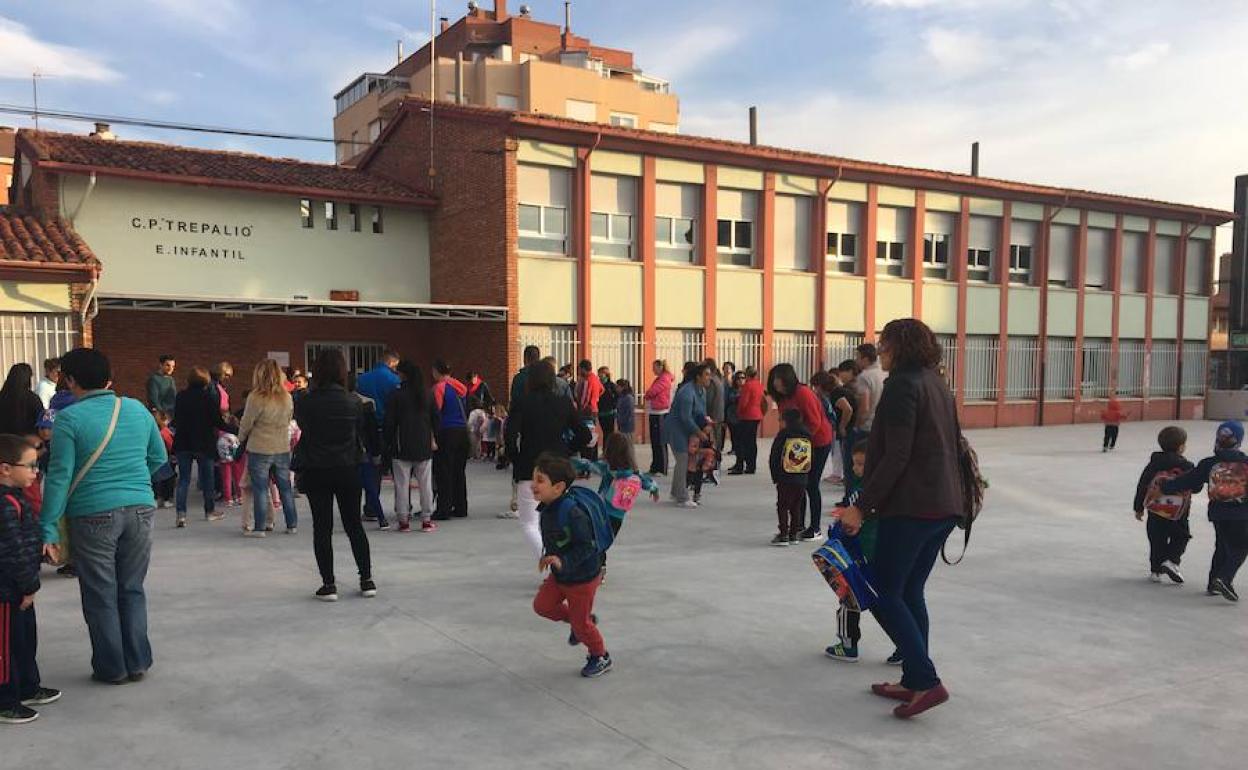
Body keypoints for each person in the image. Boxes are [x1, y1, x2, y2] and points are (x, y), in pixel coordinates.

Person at [838, 318, 963, 719]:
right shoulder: (935, 382)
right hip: (943, 504)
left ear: (899, 346)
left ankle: (925, 680)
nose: (881, 350)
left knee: (881, 591)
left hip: (912, 507)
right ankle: (913, 678)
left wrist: (862, 505)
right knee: (909, 592)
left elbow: (897, 455)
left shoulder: (903, 386)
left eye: (884, 343)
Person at [40, 347, 167, 685]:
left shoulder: (69, 419)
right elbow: (159, 458)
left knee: (100, 593)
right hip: (141, 508)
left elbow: (59, 477)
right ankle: (137, 661)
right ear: (108, 377)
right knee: (132, 587)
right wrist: (134, 484)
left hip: (92, 513)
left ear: (70, 380)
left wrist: (48, 526)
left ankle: (112, 668)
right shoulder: (137, 409)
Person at [294, 349, 375, 602]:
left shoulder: (305, 401)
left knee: (322, 527)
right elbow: (360, 432)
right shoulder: (355, 402)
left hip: (317, 468)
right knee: (354, 525)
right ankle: (366, 579)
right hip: (348, 467)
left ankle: (329, 584)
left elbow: (304, 427)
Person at [531, 452, 612, 678]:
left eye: (540, 480)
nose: (533, 485)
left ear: (558, 487)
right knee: (542, 606)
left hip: (582, 578)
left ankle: (600, 655)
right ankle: (581, 621)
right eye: (533, 479)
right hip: (562, 575)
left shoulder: (573, 512)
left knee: (581, 626)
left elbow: (588, 546)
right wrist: (548, 556)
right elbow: (556, 538)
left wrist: (563, 561)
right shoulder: (548, 507)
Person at [0, 433, 62, 724]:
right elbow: (11, 551)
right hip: (7, 591)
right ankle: (5, 700)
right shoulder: (4, 505)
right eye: (30, 466)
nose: (36, 472)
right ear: (5, 468)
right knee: (5, 648)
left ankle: (27, 686)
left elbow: (25, 541)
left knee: (24, 641)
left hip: (21, 588)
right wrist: (28, 586)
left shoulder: (17, 498)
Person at [825, 440, 900, 665]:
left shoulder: (860, 495)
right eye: (854, 463)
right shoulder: (889, 490)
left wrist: (835, 535)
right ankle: (905, 644)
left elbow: (849, 525)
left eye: (861, 464)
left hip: (859, 555)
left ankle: (848, 646)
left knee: (849, 597)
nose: (856, 468)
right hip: (882, 553)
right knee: (882, 603)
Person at [506, 360, 589, 558]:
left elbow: (509, 436)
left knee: (529, 523)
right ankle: (563, 562)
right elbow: (584, 434)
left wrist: (516, 459)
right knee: (559, 520)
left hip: (530, 467)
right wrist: (566, 451)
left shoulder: (521, 402)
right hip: (558, 469)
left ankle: (549, 562)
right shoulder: (563, 402)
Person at [1159, 421, 1248, 602]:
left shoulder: (1210, 463)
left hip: (1218, 513)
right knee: (1240, 548)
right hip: (1241, 514)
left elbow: (1188, 481)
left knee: (1222, 545)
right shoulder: (1245, 463)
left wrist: (1166, 486)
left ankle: (1213, 583)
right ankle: (1224, 579)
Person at [573, 432, 660, 582]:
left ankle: (596, 569)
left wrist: (571, 461)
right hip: (618, 516)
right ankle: (600, 570)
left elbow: (588, 465)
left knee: (595, 539)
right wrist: (655, 489)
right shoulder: (634, 473)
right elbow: (648, 483)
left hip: (600, 512)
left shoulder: (607, 469)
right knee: (603, 541)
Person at [767, 363, 833, 541]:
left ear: (787, 379)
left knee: (810, 484)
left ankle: (815, 528)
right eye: (774, 381)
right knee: (797, 485)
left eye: (778, 380)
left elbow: (815, 422)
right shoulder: (782, 398)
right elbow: (784, 423)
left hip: (817, 442)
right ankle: (798, 526)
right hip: (797, 446)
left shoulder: (803, 393)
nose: (776, 384)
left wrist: (799, 442)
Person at [237, 359, 298, 537]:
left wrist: (240, 439)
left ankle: (260, 528)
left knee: (260, 489)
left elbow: (247, 422)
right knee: (285, 488)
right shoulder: (286, 397)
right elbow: (288, 419)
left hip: (259, 447)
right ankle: (292, 524)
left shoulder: (255, 397)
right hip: (281, 446)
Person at [1133, 426, 1193, 583]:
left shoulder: (1154, 464)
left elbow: (1143, 485)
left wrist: (1138, 508)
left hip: (1156, 510)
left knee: (1157, 539)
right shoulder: (1186, 466)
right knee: (1181, 536)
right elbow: (1196, 486)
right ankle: (1172, 560)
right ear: (1181, 447)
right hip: (1179, 513)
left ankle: (1155, 571)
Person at [384, 360, 436, 533]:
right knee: (425, 484)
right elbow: (436, 419)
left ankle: (403, 520)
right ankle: (426, 520)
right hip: (423, 445)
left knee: (401, 484)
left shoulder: (396, 395)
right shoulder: (427, 393)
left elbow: (389, 422)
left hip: (401, 446)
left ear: (403, 374)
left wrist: (388, 442)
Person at [172, 366, 227, 527]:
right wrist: (234, 429)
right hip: (204, 442)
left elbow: (177, 418)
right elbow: (217, 421)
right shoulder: (209, 397)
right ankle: (209, 511)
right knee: (208, 479)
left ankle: (181, 514)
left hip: (183, 441)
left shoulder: (181, 396)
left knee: (184, 479)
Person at [664, 363, 711, 508]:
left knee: (683, 461)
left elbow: (701, 413)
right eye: (706, 375)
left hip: (687, 430)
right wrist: (699, 432)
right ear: (698, 377)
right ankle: (682, 497)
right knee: (682, 460)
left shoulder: (701, 391)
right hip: (677, 429)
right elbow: (685, 417)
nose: (709, 378)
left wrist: (706, 424)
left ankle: (675, 492)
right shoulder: (687, 393)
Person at [431, 360, 470, 520]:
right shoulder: (461, 387)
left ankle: (444, 509)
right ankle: (461, 507)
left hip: (446, 432)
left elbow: (436, 411)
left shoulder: (439, 387)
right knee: (459, 471)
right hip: (462, 432)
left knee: (444, 472)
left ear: (436, 371)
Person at [768, 408, 812, 546]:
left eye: (780, 420)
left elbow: (774, 456)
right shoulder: (807, 434)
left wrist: (775, 476)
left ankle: (783, 534)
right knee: (796, 506)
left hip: (785, 476)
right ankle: (793, 534)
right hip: (802, 477)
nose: (779, 422)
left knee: (782, 505)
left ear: (786, 421)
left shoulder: (783, 435)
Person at [351, 375, 388, 531]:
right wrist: (377, 452)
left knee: (351, 488)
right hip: (363, 449)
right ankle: (380, 517)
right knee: (370, 486)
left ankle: (353, 518)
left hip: (345, 451)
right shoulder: (367, 403)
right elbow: (373, 431)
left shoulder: (338, 404)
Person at [729, 367, 765, 476]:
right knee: (752, 442)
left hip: (747, 416)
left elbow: (743, 402)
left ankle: (740, 465)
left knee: (741, 442)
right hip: (757, 415)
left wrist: (738, 412)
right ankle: (751, 465)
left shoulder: (747, 386)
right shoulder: (759, 385)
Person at [643, 360, 674, 475]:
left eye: (654, 367)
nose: (653, 370)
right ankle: (655, 467)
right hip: (655, 411)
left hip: (660, 412)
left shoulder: (664, 379)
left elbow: (651, 392)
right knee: (655, 442)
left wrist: (647, 394)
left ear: (660, 367)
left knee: (660, 442)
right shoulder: (659, 379)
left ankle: (661, 468)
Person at [833, 360, 861, 482]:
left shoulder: (848, 389)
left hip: (851, 428)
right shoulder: (858, 385)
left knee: (849, 461)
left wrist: (842, 426)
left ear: (850, 371)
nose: (840, 375)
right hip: (859, 427)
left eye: (842, 371)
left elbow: (848, 409)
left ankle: (850, 487)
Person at [356, 351, 401, 425]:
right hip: (387, 423)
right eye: (396, 366)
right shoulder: (395, 379)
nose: (396, 369)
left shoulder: (360, 379)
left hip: (366, 424)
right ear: (391, 363)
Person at [0, 364, 43, 438]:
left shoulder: (2, 396)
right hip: (27, 441)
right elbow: (41, 420)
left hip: (3, 441)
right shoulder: (33, 399)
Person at [854, 343, 888, 433]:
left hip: (867, 426)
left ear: (865, 359)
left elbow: (865, 407)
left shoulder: (864, 377)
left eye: (857, 357)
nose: (856, 361)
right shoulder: (884, 372)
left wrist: (857, 424)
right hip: (882, 424)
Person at [575, 360, 604, 461]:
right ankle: (594, 458)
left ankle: (587, 459)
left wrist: (581, 408)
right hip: (594, 409)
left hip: (587, 411)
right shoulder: (595, 378)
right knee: (593, 435)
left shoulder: (587, 380)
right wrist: (595, 399)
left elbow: (585, 398)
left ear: (583, 369)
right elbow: (602, 389)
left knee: (586, 435)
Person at [152, 410, 176, 510]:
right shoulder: (165, 430)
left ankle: (156, 499)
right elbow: (171, 444)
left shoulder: (151, 428)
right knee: (167, 478)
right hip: (164, 456)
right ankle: (166, 499)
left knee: (155, 479)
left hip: (153, 457)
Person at [703, 358, 727, 452]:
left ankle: (715, 457)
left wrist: (706, 414)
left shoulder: (711, 381)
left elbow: (709, 400)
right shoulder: (718, 379)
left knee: (713, 441)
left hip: (713, 415)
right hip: (718, 414)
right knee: (717, 439)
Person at [597, 366, 619, 438]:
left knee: (610, 432)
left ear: (606, 374)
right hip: (601, 412)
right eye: (599, 373)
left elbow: (617, 396)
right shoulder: (597, 384)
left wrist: (614, 406)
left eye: (601, 373)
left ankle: (609, 444)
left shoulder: (611, 385)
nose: (599, 375)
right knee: (604, 431)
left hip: (610, 412)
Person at [615, 379, 636, 445]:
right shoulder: (621, 397)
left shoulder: (628, 398)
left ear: (622, 387)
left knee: (627, 444)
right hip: (621, 425)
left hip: (627, 425)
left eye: (618, 386)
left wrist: (622, 420)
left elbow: (629, 412)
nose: (616, 388)